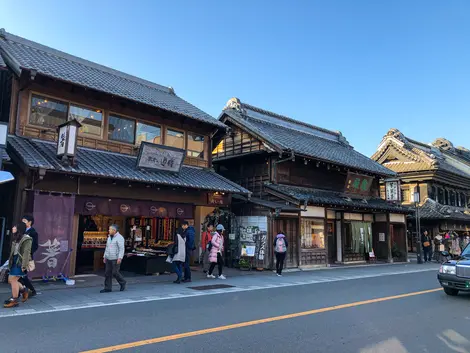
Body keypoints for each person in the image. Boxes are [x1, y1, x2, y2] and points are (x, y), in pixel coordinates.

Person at [4, 223, 32, 308]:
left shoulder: (27, 239)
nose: (12, 228)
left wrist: (24, 265)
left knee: (13, 280)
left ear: (19, 228)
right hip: (14, 260)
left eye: (14, 227)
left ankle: (14, 300)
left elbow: (26, 252)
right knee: (10, 280)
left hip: (20, 262)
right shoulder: (15, 238)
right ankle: (24, 290)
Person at [101, 224, 126, 293]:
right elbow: (107, 247)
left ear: (114, 230)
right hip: (109, 257)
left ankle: (122, 282)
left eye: (110, 229)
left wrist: (120, 258)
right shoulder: (109, 237)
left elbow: (121, 249)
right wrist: (104, 256)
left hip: (115, 258)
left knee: (115, 272)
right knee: (107, 273)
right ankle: (107, 288)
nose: (108, 230)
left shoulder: (120, 238)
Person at [19, 215, 38, 297]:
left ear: (30, 222)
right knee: (19, 275)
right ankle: (26, 290)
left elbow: (35, 246)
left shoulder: (33, 233)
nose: (22, 222)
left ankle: (29, 291)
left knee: (22, 275)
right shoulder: (20, 231)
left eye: (24, 221)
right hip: (18, 256)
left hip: (26, 256)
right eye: (22, 221)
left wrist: (28, 254)